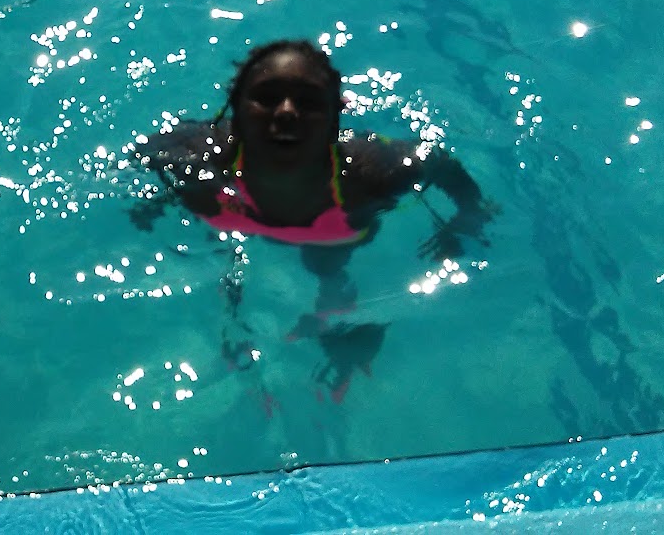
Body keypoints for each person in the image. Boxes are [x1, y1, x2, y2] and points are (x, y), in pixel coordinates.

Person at [134, 38, 498, 401]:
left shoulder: (370, 174)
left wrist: (465, 222)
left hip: (331, 236)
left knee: (327, 267)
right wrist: (156, 203)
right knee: (230, 275)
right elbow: (140, 157)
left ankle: (339, 325)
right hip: (245, 228)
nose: (286, 112)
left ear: (336, 114)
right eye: (266, 98)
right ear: (235, 106)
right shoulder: (198, 154)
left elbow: (438, 162)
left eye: (308, 102)